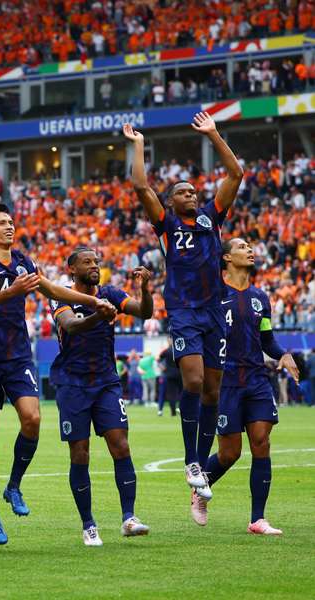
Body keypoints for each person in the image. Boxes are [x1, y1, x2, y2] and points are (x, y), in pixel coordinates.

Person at [0, 203, 118, 545]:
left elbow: (53, 290)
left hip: (17, 355)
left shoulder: (22, 261)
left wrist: (94, 303)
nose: (9, 227)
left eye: (11, 222)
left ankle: (13, 485)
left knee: (32, 419)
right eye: (2, 223)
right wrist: (15, 291)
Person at [124, 113, 242, 502]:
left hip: (213, 311)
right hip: (183, 312)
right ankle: (192, 460)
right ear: (171, 202)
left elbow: (235, 174)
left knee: (212, 391)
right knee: (191, 381)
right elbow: (140, 184)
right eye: (182, 192)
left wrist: (213, 134)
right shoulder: (166, 226)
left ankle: (200, 469)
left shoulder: (212, 218)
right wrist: (138, 144)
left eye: (193, 190)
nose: (190, 193)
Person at [50, 248, 154, 546]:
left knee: (121, 446)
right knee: (80, 452)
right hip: (73, 384)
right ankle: (88, 524)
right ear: (72, 269)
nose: (94, 266)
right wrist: (99, 315)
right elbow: (70, 325)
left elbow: (144, 312)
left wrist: (144, 290)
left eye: (96, 261)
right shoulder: (62, 296)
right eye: (87, 262)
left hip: (107, 381)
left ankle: (129, 517)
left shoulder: (110, 293)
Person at [195, 238, 299, 533]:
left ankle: (257, 519)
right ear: (227, 258)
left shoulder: (260, 298)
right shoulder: (212, 295)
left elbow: (267, 339)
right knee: (230, 453)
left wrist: (284, 355)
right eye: (242, 247)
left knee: (262, 443)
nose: (250, 250)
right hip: (225, 381)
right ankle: (200, 488)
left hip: (256, 378)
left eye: (251, 247)